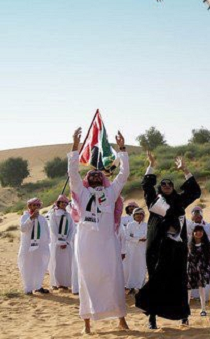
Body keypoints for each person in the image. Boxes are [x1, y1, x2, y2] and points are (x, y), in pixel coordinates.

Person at [68, 128, 129, 333]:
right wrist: (75, 147)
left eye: (98, 175)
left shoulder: (111, 193)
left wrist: (122, 149)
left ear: (102, 180)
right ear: (88, 180)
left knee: (114, 277)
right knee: (87, 279)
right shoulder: (82, 192)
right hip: (86, 243)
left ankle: (121, 319)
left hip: (107, 242)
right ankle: (86, 323)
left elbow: (124, 174)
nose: (95, 177)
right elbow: (72, 173)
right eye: (91, 176)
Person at [136, 151, 201, 329]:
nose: (166, 185)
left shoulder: (179, 202)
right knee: (156, 280)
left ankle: (183, 317)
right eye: (163, 183)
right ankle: (152, 319)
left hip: (176, 249)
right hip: (157, 247)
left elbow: (195, 191)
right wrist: (151, 165)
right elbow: (147, 186)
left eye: (169, 183)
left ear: (173, 187)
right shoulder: (153, 201)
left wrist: (185, 170)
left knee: (179, 280)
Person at [18, 197, 50, 295]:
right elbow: (23, 229)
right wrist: (31, 218)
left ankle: (38, 286)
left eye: (37, 205)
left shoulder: (42, 218)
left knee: (39, 266)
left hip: (40, 247)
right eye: (33, 205)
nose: (36, 207)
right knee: (27, 266)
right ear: (29, 206)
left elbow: (46, 231)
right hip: (28, 247)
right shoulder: (25, 216)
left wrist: (46, 243)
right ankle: (28, 288)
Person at [48, 195, 74, 291]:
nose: (63, 204)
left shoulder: (68, 215)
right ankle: (56, 283)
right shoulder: (53, 214)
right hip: (56, 242)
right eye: (61, 202)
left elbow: (72, 229)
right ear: (58, 203)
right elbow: (53, 228)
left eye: (65, 203)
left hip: (67, 243)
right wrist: (60, 240)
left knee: (66, 263)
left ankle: (65, 283)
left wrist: (66, 241)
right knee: (55, 262)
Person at [187, 225, 210, 317]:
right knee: (188, 289)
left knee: (202, 289)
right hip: (190, 269)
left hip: (202, 269)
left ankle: (203, 309)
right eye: (196, 231)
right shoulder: (189, 245)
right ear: (193, 233)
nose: (198, 233)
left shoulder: (207, 244)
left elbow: (208, 259)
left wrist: (206, 271)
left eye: (200, 231)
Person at [124, 208, 147, 293]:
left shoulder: (146, 225)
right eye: (137, 214)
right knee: (132, 267)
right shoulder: (130, 225)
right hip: (132, 251)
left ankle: (141, 285)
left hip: (142, 250)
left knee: (141, 267)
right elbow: (127, 237)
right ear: (134, 216)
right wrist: (138, 238)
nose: (139, 216)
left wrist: (134, 236)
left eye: (141, 214)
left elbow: (145, 237)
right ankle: (131, 286)